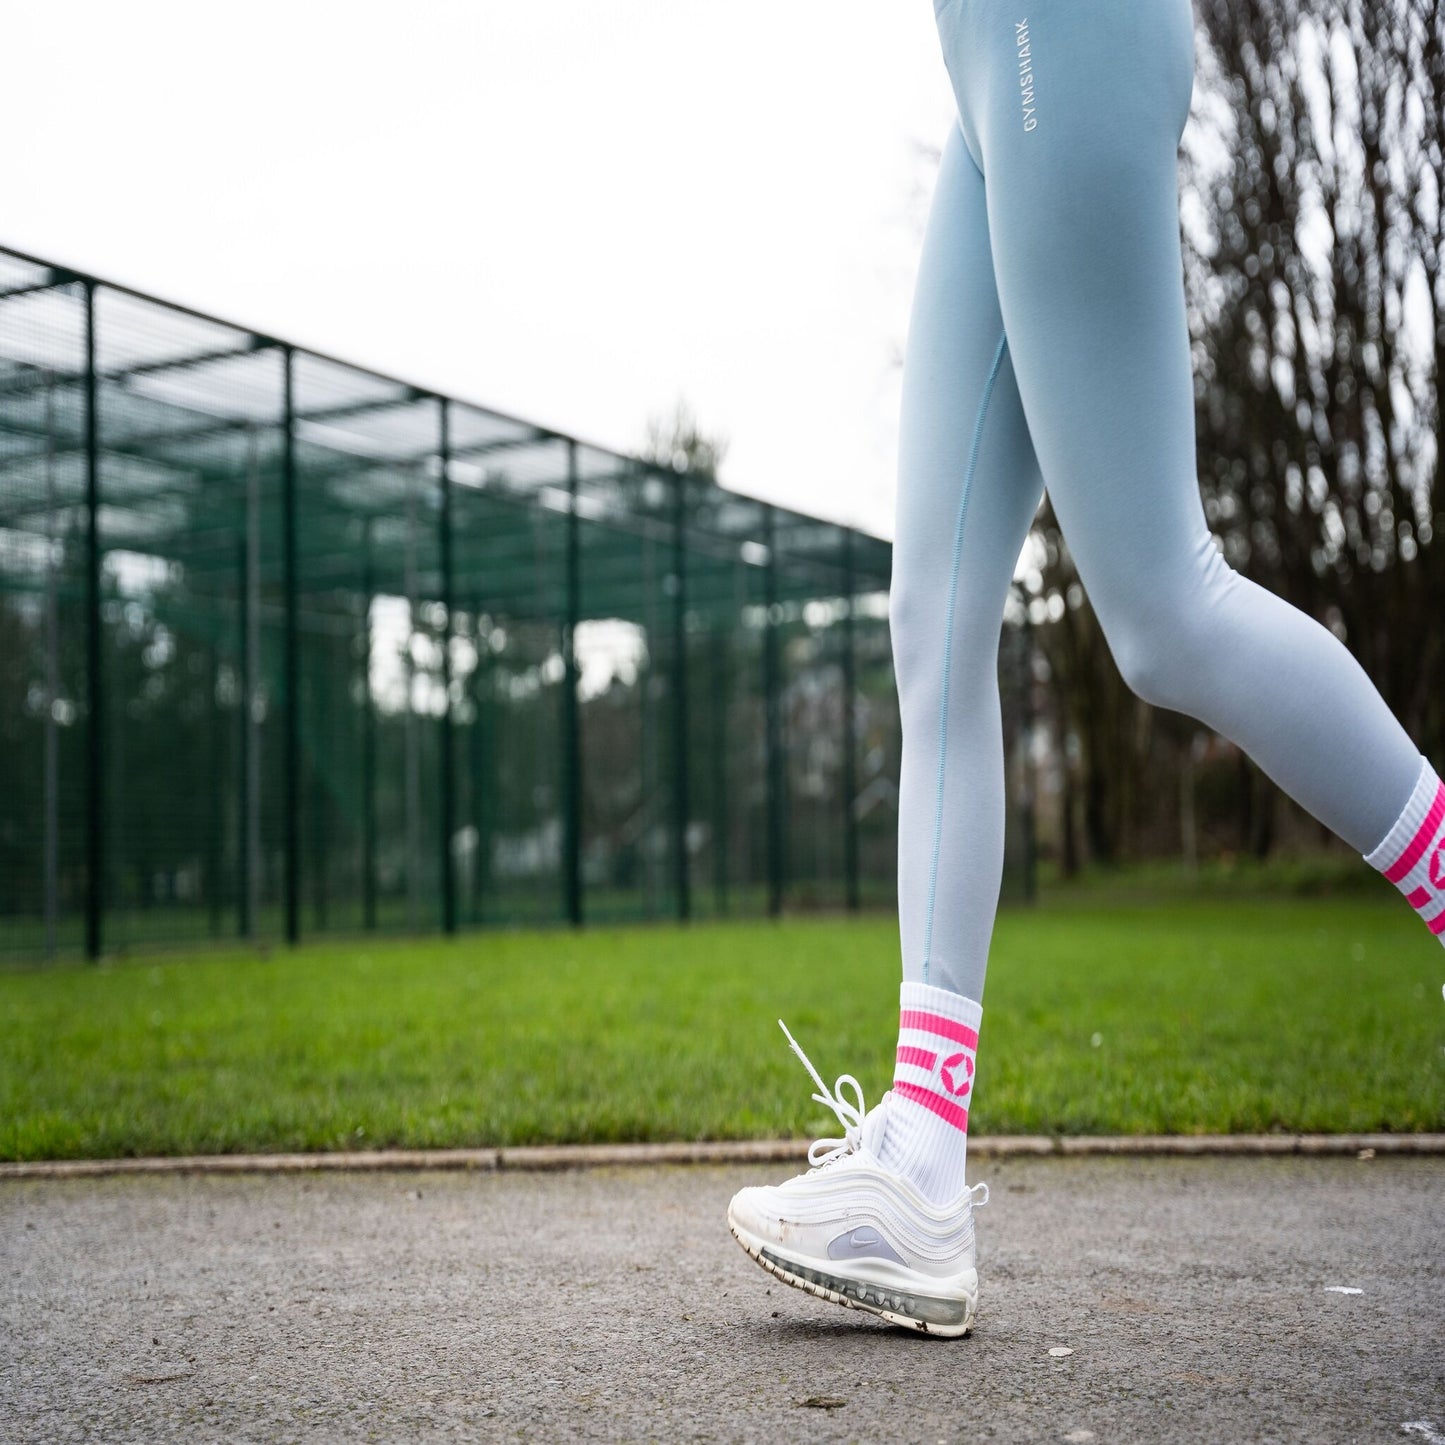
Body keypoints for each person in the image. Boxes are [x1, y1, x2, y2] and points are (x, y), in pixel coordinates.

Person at [727, 0, 1445, 1337]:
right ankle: (917, 1171)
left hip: (1065, 32)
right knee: (931, 610)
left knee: (1163, 609)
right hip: (986, 63)